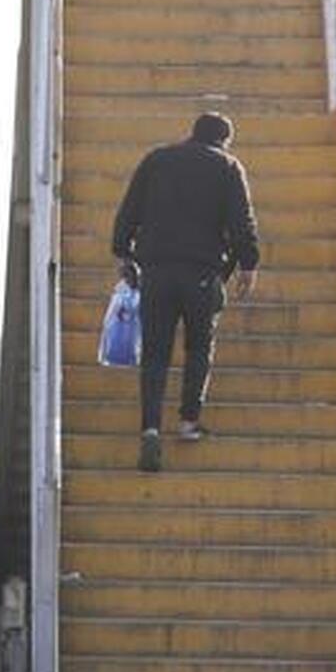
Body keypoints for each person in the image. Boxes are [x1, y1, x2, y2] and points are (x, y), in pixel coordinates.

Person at [112, 112, 260, 472]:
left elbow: (128, 210)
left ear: (192, 133)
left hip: (157, 271)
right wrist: (248, 264)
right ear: (224, 140)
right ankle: (188, 421)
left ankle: (149, 428)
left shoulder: (157, 159)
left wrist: (123, 252)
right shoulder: (228, 167)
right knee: (198, 347)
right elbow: (242, 222)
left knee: (155, 354)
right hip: (202, 274)